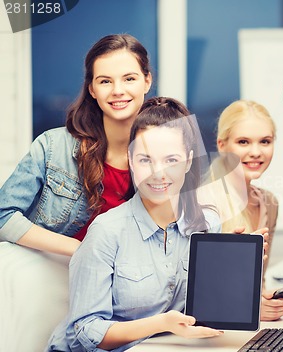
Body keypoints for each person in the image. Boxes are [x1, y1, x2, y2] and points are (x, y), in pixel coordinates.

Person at [46, 97, 223, 352]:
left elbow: (208, 306)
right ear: (130, 160)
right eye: (145, 160)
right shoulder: (107, 231)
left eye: (171, 160)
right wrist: (161, 323)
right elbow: (84, 332)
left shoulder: (207, 225)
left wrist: (244, 289)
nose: (158, 172)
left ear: (188, 161)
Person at [0, 34, 152, 256]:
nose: (117, 90)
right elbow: (3, 216)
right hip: (54, 280)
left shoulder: (162, 156)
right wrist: (84, 250)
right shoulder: (53, 147)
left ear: (147, 81)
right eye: (105, 81)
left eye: (129, 78)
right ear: (92, 89)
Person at [208, 99, 283, 321]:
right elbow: (192, 292)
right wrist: (246, 307)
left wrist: (264, 299)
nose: (255, 152)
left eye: (265, 141)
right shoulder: (203, 203)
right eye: (243, 142)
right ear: (222, 145)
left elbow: (256, 282)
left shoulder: (269, 203)